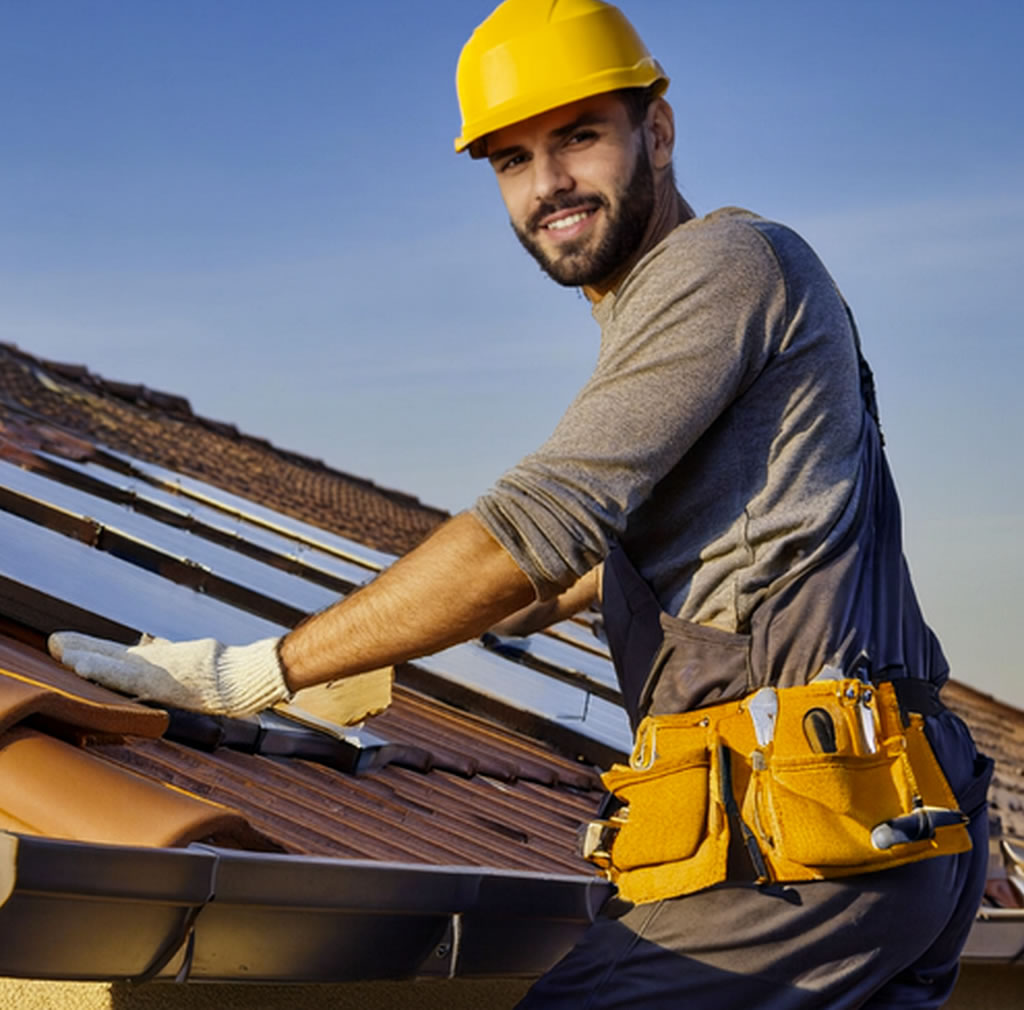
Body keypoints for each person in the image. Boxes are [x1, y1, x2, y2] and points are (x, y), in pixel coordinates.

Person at [50, 1, 992, 1006]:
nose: (548, 184)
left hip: (800, 836)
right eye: (511, 158)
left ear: (656, 132)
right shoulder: (700, 319)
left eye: (578, 137)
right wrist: (385, 640)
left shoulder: (721, 266)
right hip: (886, 822)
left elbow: (535, 528)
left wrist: (257, 671)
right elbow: (610, 561)